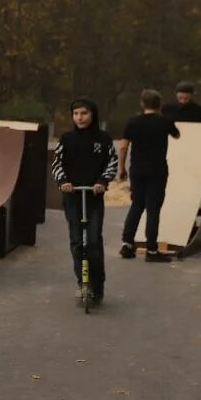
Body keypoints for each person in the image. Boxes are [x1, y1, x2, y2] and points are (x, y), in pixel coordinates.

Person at [51, 97, 119, 304]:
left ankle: (97, 285)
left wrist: (102, 181)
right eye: (76, 114)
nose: (80, 118)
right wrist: (63, 180)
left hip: (93, 197)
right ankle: (83, 283)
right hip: (72, 197)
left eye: (84, 113)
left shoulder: (104, 139)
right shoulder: (67, 139)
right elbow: (57, 163)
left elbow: (112, 163)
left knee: (93, 242)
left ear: (93, 115)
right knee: (77, 242)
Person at [117, 89, 180, 263]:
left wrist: (121, 168)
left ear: (141, 104)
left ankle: (127, 245)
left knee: (136, 204)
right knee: (153, 208)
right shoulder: (165, 121)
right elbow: (177, 135)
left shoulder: (133, 122)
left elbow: (122, 147)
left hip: (137, 169)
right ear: (159, 105)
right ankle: (151, 250)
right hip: (157, 169)